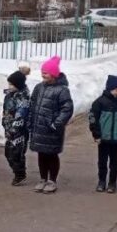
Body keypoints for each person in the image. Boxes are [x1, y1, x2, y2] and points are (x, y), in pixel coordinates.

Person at [27, 55, 73, 194]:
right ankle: (43, 179)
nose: (43, 74)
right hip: (39, 128)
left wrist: (56, 124)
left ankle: (52, 180)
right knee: (41, 154)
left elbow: (67, 109)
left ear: (54, 74)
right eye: (42, 72)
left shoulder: (62, 90)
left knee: (51, 154)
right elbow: (32, 104)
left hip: (52, 129)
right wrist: (31, 121)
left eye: (46, 72)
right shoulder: (39, 87)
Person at [89, 75, 117, 193]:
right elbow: (93, 119)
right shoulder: (99, 102)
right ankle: (102, 181)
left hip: (116, 138)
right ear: (110, 89)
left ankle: (112, 182)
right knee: (102, 161)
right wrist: (96, 134)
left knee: (114, 162)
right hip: (103, 138)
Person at [1, 70, 31, 186]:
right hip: (9, 129)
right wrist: (5, 123)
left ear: (18, 84)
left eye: (12, 84)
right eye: (9, 84)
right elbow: (6, 111)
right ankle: (18, 172)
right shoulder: (9, 95)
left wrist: (15, 129)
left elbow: (21, 115)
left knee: (17, 154)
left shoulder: (23, 98)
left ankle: (20, 175)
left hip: (19, 131)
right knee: (8, 153)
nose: (9, 86)